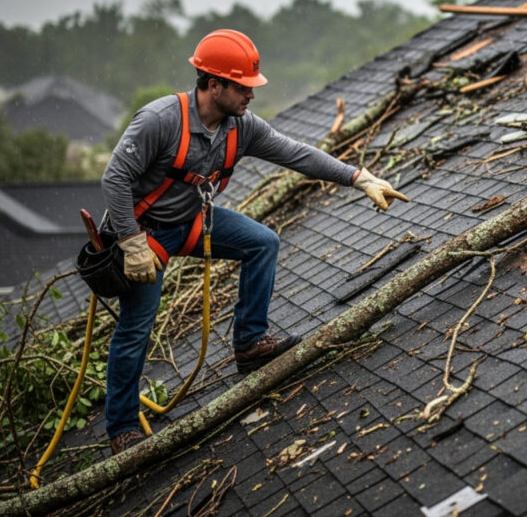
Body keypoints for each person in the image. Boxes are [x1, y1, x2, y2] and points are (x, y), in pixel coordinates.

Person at [101, 29, 408, 454]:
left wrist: (360, 177)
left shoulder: (241, 127)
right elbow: (115, 179)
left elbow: (297, 153)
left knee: (262, 241)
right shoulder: (160, 120)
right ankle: (121, 429)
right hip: (142, 232)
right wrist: (131, 243)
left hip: (190, 222)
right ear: (214, 85)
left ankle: (249, 343)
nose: (251, 95)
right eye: (243, 87)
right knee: (138, 325)